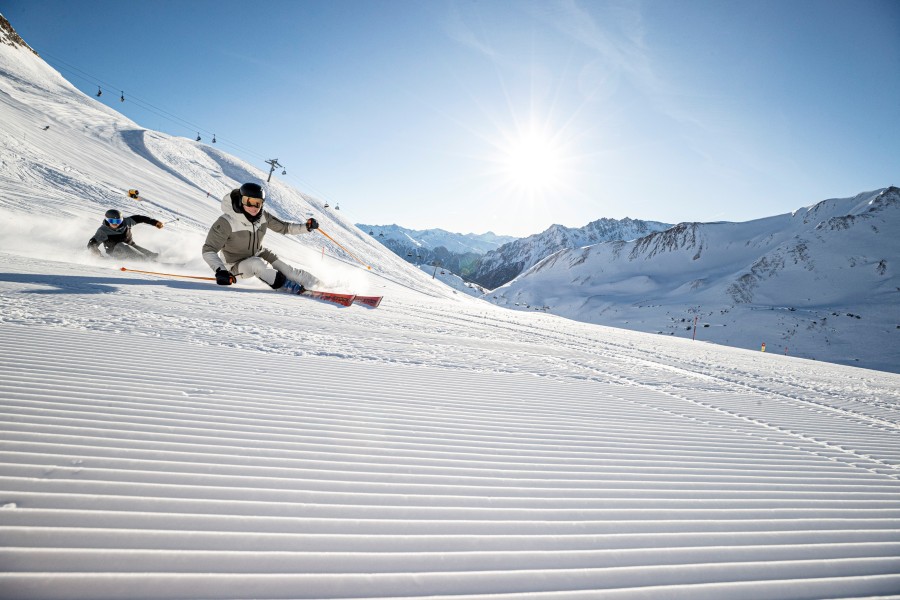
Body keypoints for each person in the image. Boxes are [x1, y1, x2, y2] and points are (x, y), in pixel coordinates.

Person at [202, 182, 321, 293]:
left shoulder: (262, 216)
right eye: (249, 201)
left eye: (258, 203)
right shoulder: (226, 222)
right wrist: (221, 271)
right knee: (257, 264)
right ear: (241, 200)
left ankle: (320, 286)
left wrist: (306, 227)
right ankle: (291, 287)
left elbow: (285, 227)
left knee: (290, 272)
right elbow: (209, 250)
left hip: (258, 253)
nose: (254, 207)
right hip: (235, 265)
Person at [87, 209, 163, 260]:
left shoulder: (127, 222)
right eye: (112, 221)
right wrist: (97, 255)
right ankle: (145, 261)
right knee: (122, 245)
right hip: (116, 253)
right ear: (107, 220)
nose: (115, 223)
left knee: (152, 256)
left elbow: (140, 218)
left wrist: (155, 223)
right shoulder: (103, 230)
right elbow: (91, 244)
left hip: (132, 247)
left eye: (118, 221)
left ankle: (154, 260)